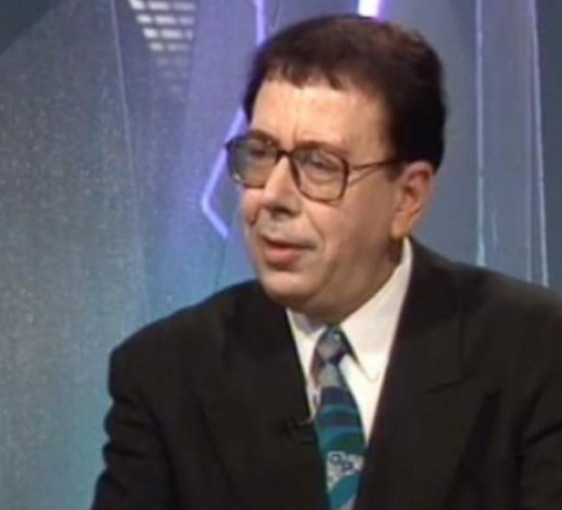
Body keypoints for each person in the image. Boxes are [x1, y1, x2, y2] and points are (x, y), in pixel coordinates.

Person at [91, 14, 562, 510]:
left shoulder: (534, 351)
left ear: (407, 198)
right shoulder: (164, 374)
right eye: (260, 153)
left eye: (319, 164)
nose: (273, 196)